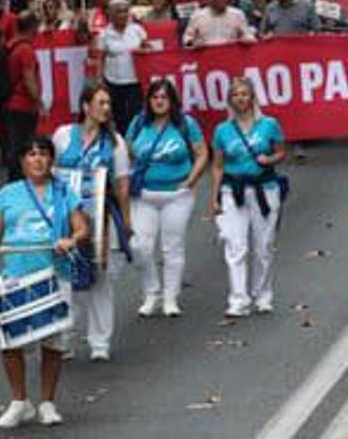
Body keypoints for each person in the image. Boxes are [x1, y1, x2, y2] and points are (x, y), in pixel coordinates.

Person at [0, 136, 90, 428]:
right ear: (22, 161)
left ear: (51, 160)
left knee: (54, 341)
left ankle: (47, 402)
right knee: (10, 342)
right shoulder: (7, 194)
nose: (37, 159)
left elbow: (82, 227)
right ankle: (19, 401)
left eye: (43, 153)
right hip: (16, 276)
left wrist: (70, 239)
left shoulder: (64, 192)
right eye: (31, 154)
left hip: (55, 274)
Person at [52, 84, 132, 363]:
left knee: (100, 276)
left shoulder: (116, 142)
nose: (106, 108)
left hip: (100, 217)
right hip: (66, 217)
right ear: (85, 106)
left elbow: (121, 185)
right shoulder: (63, 135)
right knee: (65, 276)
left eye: (109, 103)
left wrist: (127, 222)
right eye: (101, 102)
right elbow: (51, 173)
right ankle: (64, 339)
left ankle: (100, 341)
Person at [126, 79, 208, 317]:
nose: (159, 101)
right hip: (144, 194)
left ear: (172, 100)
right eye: (155, 97)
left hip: (176, 195)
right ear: (149, 101)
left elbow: (202, 153)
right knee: (140, 246)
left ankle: (171, 298)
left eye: (164, 97)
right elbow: (127, 150)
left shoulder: (185, 123)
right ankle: (152, 292)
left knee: (172, 247)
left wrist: (191, 180)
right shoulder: (139, 123)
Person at [209, 77, 287, 317]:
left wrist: (270, 159)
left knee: (263, 246)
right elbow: (218, 165)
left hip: (265, 188)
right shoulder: (222, 130)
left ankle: (263, 295)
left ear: (252, 98)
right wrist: (214, 197)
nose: (241, 99)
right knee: (236, 245)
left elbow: (282, 152)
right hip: (233, 190)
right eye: (236, 95)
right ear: (230, 100)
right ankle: (238, 299)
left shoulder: (269, 124)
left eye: (245, 94)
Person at [95, 0, 148, 135]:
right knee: (117, 116)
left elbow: (149, 49)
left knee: (136, 115)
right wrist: (99, 80)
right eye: (119, 12)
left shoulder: (137, 30)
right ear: (111, 15)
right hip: (113, 82)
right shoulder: (104, 34)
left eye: (125, 11)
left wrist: (144, 49)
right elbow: (100, 59)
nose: (123, 15)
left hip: (135, 81)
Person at [2, 12, 44, 180]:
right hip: (23, 105)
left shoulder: (11, 45)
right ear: (33, 27)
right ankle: (19, 179)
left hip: (12, 103)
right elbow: (29, 79)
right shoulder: (26, 49)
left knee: (15, 144)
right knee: (24, 145)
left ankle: (15, 178)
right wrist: (39, 101)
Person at [182, 0, 256, 47]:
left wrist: (246, 39)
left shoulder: (237, 14)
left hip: (231, 56)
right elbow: (187, 39)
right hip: (206, 57)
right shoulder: (197, 16)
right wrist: (193, 42)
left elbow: (248, 35)